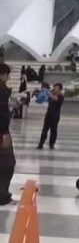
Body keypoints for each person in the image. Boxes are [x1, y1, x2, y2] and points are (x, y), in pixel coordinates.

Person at [0, 63, 15, 205]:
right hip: (1, 132)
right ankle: (2, 195)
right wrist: (4, 132)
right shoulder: (2, 90)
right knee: (7, 163)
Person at [37, 82, 64, 149]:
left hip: (55, 116)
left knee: (53, 131)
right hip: (48, 115)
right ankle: (41, 144)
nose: (54, 89)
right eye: (54, 87)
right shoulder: (51, 94)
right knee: (44, 130)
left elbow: (55, 99)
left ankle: (51, 145)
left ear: (60, 89)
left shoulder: (60, 96)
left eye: (56, 88)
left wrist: (48, 92)